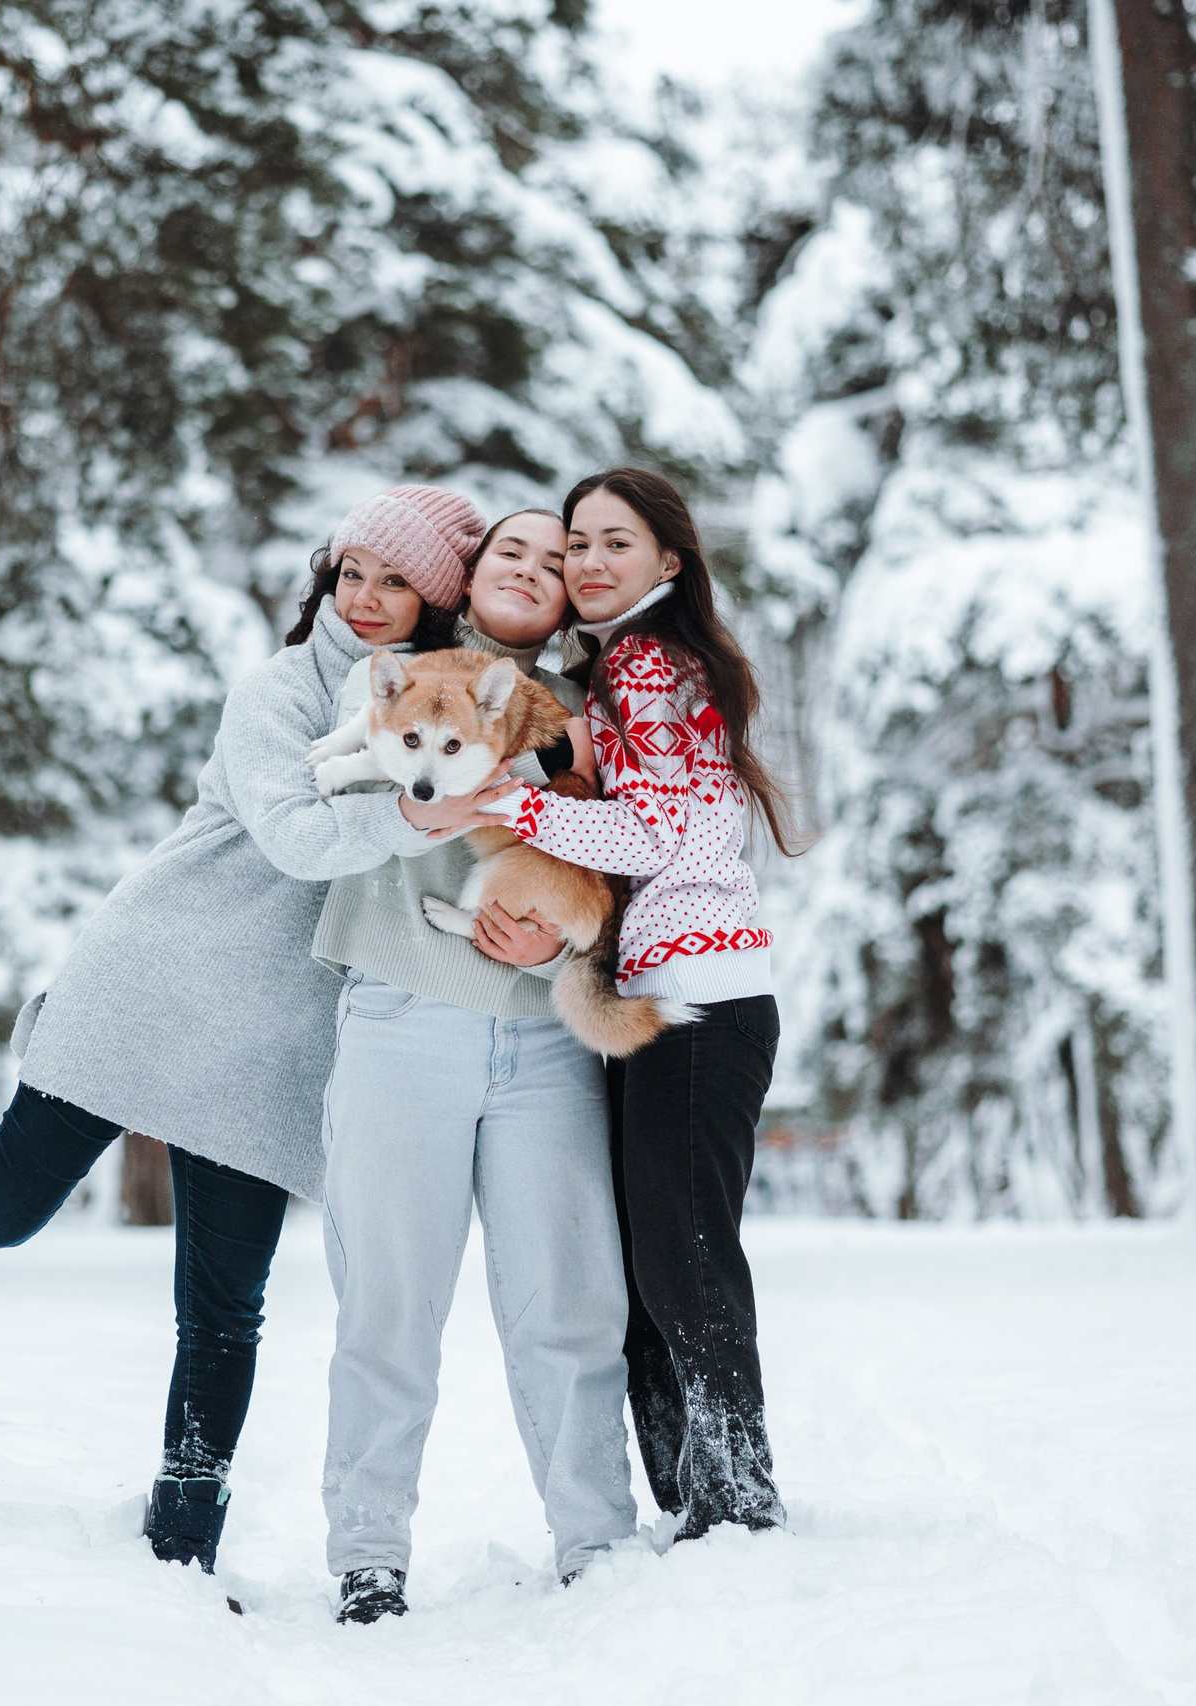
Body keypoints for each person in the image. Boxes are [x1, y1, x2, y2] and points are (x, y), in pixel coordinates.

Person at [0, 485, 502, 1577]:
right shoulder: (279, 692)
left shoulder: (445, 702)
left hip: (273, 1038)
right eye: (352, 572)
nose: (369, 598)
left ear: (435, 601)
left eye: (398, 581)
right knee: (2, 1210)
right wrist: (428, 807)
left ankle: (179, 1547)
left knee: (222, 1307)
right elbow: (295, 837)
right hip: (155, 978)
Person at [306, 510, 635, 1626]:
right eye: (512, 552)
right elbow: (321, 812)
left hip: (545, 1035)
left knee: (569, 1301)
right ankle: (367, 1554)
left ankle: (597, 1540)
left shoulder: (586, 710)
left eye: (558, 561)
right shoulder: (391, 678)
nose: (536, 572)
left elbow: (640, 852)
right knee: (388, 1304)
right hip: (404, 1019)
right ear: (468, 572)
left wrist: (565, 933)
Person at [471, 467, 798, 1541]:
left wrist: (508, 804)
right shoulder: (622, 669)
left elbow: (656, 835)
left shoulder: (652, 660)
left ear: (669, 560)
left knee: (682, 1255)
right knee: (659, 1255)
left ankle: (736, 1499)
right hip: (665, 997)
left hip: (697, 1005)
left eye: (618, 541)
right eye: (577, 543)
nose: (590, 562)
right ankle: (694, 1498)